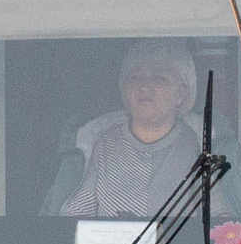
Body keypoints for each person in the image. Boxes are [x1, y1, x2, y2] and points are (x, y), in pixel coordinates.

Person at [52, 39, 206, 217]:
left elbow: (218, 214)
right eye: (135, 78)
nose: (145, 86)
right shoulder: (104, 140)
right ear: (124, 90)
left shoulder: (199, 142)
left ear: (182, 93)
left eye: (159, 78)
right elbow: (76, 212)